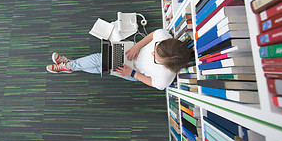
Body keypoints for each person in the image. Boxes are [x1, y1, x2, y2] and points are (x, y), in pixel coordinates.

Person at [46, 29, 191, 90]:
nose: (152, 53)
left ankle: (69, 65)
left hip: (134, 72)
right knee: (100, 60)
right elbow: (154, 34)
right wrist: (138, 47)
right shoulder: (164, 37)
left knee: (101, 66)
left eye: (155, 57)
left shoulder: (165, 78)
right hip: (132, 51)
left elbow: (151, 82)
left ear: (166, 66)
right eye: (155, 48)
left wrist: (132, 73)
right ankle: (70, 65)